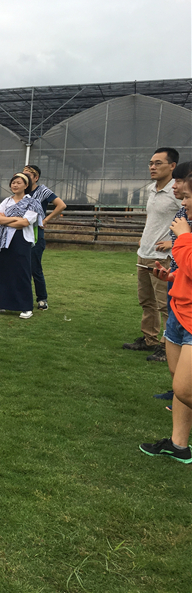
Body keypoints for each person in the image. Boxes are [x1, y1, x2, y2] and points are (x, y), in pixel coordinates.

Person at [140, 172, 192, 464]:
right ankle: (178, 445)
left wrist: (183, 237)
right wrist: (171, 275)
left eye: (186, 196)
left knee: (186, 388)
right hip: (179, 310)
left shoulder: (185, 228)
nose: (182, 202)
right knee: (180, 385)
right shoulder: (187, 220)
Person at [123, 147, 180, 361]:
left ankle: (168, 346)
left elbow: (188, 219)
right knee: (146, 300)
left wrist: (174, 242)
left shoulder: (178, 190)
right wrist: (144, 236)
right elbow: (154, 219)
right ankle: (149, 339)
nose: (152, 167)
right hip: (145, 251)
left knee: (164, 303)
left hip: (164, 257)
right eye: (151, 163)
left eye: (158, 163)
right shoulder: (151, 189)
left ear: (172, 166)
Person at [0, 173, 43, 319]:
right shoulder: (6, 201)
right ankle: (0, 304)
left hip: (22, 239)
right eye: (13, 182)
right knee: (3, 271)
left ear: (26, 185)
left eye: (19, 183)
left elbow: (24, 223)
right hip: (4, 240)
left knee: (22, 272)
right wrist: (13, 218)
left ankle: (26, 307)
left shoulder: (32, 202)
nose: (15, 185)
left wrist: (7, 220)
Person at [22, 165, 68, 311]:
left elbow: (61, 205)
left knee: (35, 268)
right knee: (21, 268)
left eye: (28, 175)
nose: (24, 178)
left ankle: (42, 299)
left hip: (36, 234)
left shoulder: (42, 191)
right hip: (21, 232)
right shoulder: (21, 191)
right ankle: (22, 297)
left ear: (36, 178)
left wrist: (46, 220)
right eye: (23, 175)